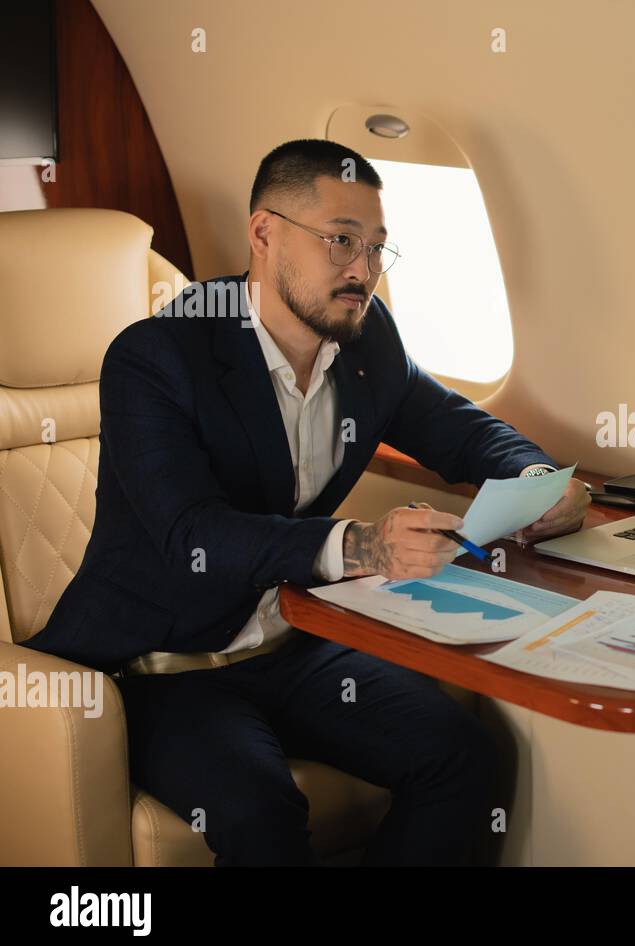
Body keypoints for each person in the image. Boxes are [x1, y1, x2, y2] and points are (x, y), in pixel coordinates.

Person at [23, 139, 590, 865]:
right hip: (164, 668)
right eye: (340, 241)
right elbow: (190, 535)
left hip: (292, 644)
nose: (363, 270)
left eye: (378, 248)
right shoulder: (156, 357)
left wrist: (543, 479)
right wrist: (362, 546)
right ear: (263, 234)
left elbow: (457, 427)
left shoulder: (367, 341)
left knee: (465, 758)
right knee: (261, 811)